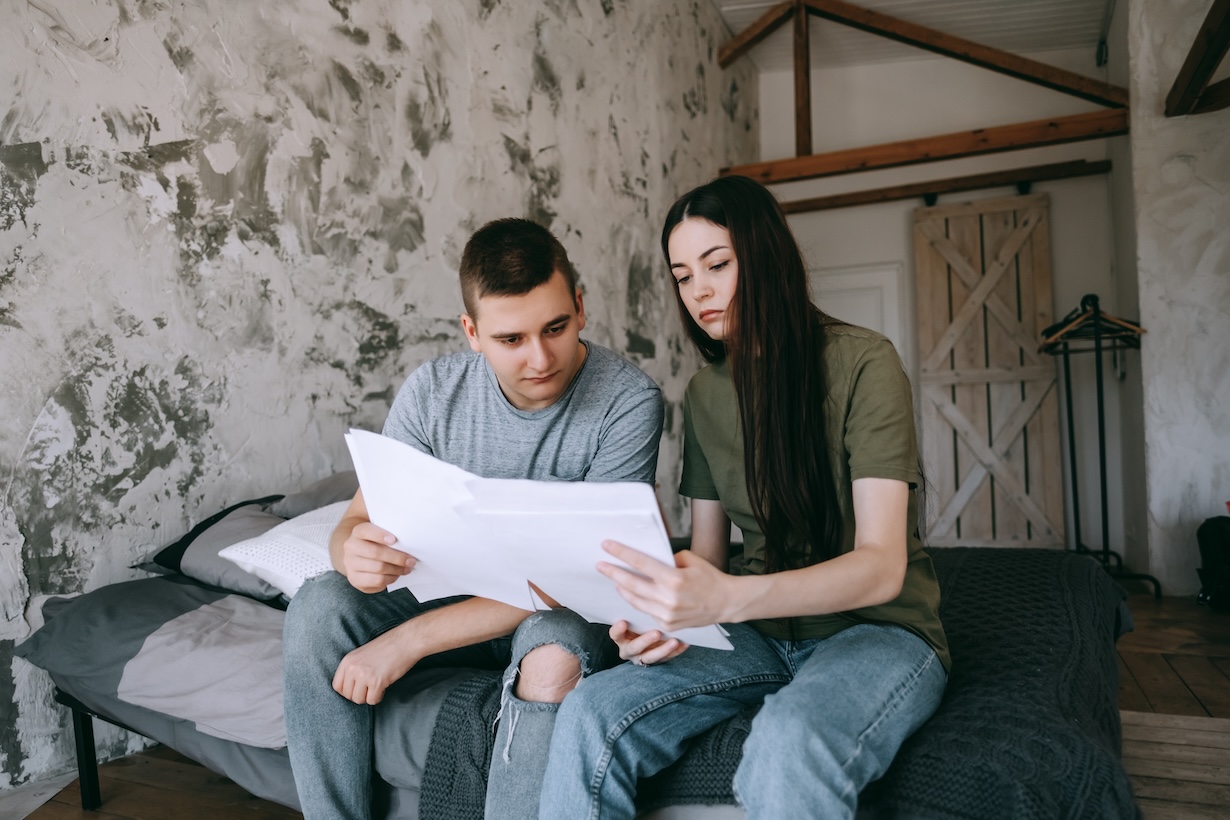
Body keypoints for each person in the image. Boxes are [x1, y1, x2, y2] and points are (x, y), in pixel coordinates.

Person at [538, 176, 950, 820]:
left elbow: (881, 565)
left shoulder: (864, 362)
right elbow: (707, 557)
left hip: (877, 630)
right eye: (681, 275)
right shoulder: (705, 394)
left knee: (790, 738)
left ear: (765, 256)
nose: (698, 289)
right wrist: (666, 616)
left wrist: (727, 597)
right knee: (592, 709)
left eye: (718, 264)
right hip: (755, 634)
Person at [282, 217, 664, 820]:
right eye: (511, 339)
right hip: (445, 594)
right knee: (318, 608)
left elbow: (573, 578)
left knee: (555, 648)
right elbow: (358, 517)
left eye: (556, 328)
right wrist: (350, 552)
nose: (540, 358)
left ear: (581, 308)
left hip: (555, 609)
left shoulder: (627, 402)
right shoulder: (432, 394)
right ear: (472, 333)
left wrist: (406, 643)